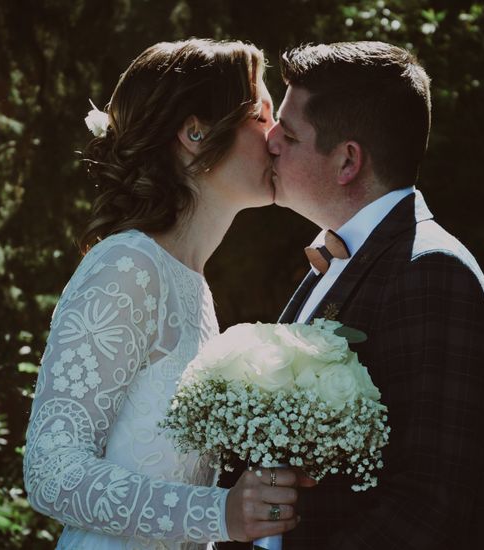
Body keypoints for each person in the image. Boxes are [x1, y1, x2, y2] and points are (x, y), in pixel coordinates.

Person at [22, 39, 313, 550]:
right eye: (260, 116)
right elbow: (52, 471)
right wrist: (219, 512)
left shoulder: (194, 286)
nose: (277, 137)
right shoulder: (126, 266)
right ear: (196, 133)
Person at [223, 41, 484, 548]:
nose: (270, 144)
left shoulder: (431, 273)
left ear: (348, 160)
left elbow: (429, 506)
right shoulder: (334, 261)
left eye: (288, 135)